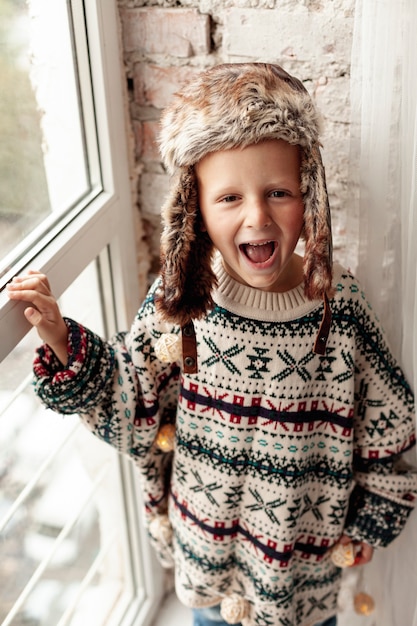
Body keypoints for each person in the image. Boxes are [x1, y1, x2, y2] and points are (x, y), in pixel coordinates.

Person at [7, 63, 417, 626]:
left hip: (301, 570)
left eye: (279, 192)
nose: (257, 216)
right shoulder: (182, 304)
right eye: (228, 198)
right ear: (195, 210)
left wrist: (372, 518)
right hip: (208, 562)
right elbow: (133, 399)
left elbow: (389, 424)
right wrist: (58, 334)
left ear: (310, 194)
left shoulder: (339, 308)